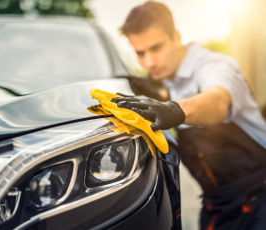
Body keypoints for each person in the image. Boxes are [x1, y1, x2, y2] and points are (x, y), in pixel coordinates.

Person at [112, 1, 266, 230]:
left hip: (260, 197)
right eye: (140, 53)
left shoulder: (214, 66)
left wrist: (174, 110)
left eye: (156, 48)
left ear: (176, 36)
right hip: (217, 205)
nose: (149, 62)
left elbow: (217, 100)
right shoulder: (165, 82)